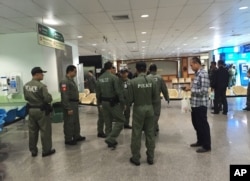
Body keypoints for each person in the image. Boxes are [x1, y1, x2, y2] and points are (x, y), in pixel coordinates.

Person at [128, 61, 157, 166]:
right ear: (146, 69)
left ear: (136, 69)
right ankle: (150, 157)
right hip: (150, 109)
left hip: (138, 109)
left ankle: (136, 158)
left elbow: (130, 99)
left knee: (136, 133)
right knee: (150, 133)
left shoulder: (133, 82)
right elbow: (155, 97)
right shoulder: (152, 81)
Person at [23, 67, 55, 157]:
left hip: (31, 110)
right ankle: (46, 150)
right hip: (41, 111)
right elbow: (47, 99)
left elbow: (26, 98)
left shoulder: (26, 85)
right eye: (42, 74)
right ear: (36, 74)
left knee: (32, 131)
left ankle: (33, 150)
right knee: (45, 131)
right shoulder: (41, 86)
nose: (43, 75)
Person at [96, 61, 126, 148]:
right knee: (121, 120)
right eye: (113, 67)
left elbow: (98, 94)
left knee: (107, 121)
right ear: (110, 68)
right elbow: (118, 92)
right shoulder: (113, 78)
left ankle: (109, 140)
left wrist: (99, 104)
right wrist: (122, 103)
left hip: (103, 103)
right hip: (113, 102)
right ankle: (111, 138)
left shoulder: (99, 78)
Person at [184, 57, 211, 153]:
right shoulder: (197, 74)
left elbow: (204, 91)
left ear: (196, 64)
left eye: (191, 65)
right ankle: (200, 141)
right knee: (196, 124)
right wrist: (190, 87)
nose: (191, 67)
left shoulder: (203, 74)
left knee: (203, 125)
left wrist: (191, 89)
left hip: (200, 105)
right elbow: (197, 86)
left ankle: (207, 145)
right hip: (194, 104)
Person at [60, 65, 86, 145]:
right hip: (70, 104)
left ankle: (76, 136)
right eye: (75, 71)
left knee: (75, 121)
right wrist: (68, 108)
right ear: (70, 71)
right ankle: (68, 139)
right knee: (69, 122)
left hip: (74, 103)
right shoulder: (64, 81)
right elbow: (64, 95)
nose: (76, 73)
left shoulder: (71, 80)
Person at [147, 64, 169, 135]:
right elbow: (164, 89)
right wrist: (167, 97)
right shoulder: (159, 78)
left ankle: (155, 127)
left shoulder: (146, 78)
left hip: (148, 99)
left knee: (149, 115)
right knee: (156, 114)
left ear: (149, 70)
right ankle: (152, 130)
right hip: (157, 99)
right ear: (156, 70)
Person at [97, 68, 106, 138]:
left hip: (103, 101)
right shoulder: (100, 80)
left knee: (103, 117)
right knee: (101, 117)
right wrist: (99, 104)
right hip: (101, 101)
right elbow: (98, 93)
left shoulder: (101, 80)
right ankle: (100, 132)